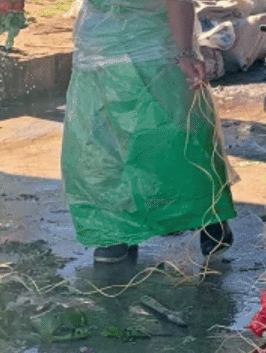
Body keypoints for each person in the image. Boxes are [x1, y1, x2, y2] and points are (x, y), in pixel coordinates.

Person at [61, 0, 236, 264]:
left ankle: (209, 216)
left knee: (175, 134)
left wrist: (186, 53)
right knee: (101, 140)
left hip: (155, 45)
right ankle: (114, 230)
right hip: (97, 46)